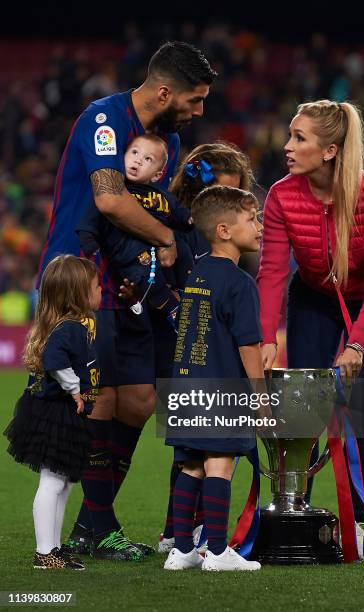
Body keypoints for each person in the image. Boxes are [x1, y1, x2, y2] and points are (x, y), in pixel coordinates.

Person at [38, 41, 216, 562]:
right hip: (81, 277)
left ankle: (94, 522)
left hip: (133, 286)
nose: (199, 110)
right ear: (165, 91)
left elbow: (157, 205)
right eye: (195, 98)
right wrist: (164, 237)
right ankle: (96, 523)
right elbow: (110, 199)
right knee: (99, 398)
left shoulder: (170, 140)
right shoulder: (105, 121)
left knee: (139, 400)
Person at [257, 99, 364, 558]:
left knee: (361, 411)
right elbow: (273, 274)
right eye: (290, 134)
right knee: (304, 408)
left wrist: (357, 343)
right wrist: (263, 340)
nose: (287, 146)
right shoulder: (281, 194)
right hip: (313, 297)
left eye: (299, 138)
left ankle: (355, 518)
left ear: (331, 150)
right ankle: (302, 516)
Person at [156, 142, 255, 552]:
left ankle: (179, 548)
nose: (260, 225)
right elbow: (248, 343)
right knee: (221, 463)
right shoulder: (238, 282)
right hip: (221, 387)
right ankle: (216, 550)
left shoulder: (195, 276)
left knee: (190, 464)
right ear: (224, 229)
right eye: (252, 218)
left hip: (185, 383)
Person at [3, 255, 101, 570]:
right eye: (96, 286)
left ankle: (55, 548)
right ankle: (45, 553)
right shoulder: (70, 328)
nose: (101, 291)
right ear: (79, 293)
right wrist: (74, 389)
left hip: (61, 412)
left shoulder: (70, 325)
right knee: (53, 481)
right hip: (56, 411)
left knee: (64, 481)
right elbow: (55, 358)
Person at [77, 133, 193, 323]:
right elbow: (89, 220)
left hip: (160, 246)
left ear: (157, 174)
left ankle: (190, 293)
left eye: (148, 159)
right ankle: (173, 310)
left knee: (183, 249)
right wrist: (89, 242)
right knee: (145, 273)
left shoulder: (160, 195)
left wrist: (187, 219)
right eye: (134, 153)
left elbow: (177, 211)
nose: (138, 161)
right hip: (130, 249)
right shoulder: (115, 190)